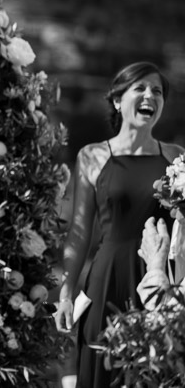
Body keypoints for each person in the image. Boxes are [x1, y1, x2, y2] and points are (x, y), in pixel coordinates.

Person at [53, 62, 185, 387]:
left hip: (161, 283)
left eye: (156, 91)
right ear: (116, 100)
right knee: (103, 371)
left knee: (158, 372)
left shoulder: (178, 159)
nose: (149, 96)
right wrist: (66, 294)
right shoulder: (92, 156)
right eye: (139, 88)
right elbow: (79, 233)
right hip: (106, 280)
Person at [136, 214, 185, 309]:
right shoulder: (178, 226)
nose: (176, 215)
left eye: (183, 207)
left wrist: (156, 265)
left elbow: (169, 317)